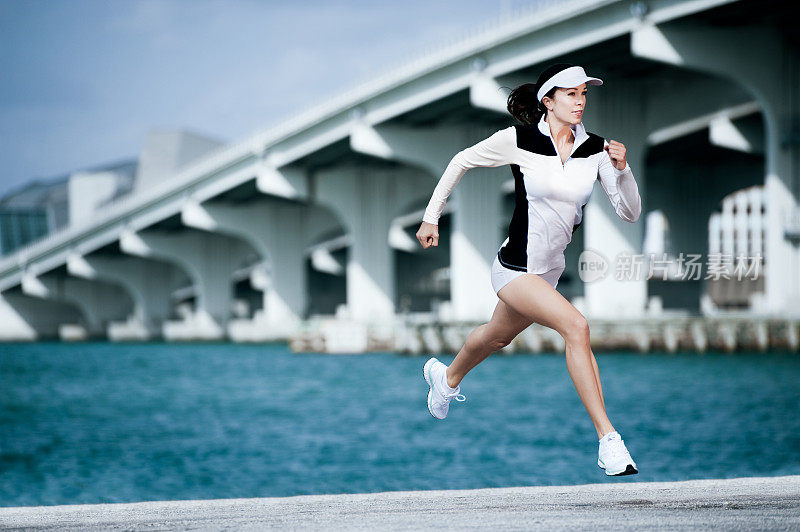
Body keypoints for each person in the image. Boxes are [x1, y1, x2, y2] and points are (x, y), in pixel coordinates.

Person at [417, 63, 641, 476]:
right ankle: (609, 441)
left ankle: (445, 379)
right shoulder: (517, 140)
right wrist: (432, 217)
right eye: (570, 94)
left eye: (584, 94)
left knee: (495, 337)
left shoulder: (597, 150)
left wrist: (623, 171)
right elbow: (460, 161)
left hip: (549, 273)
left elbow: (629, 213)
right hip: (514, 269)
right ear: (548, 100)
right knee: (577, 327)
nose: (579, 102)